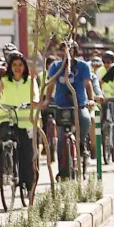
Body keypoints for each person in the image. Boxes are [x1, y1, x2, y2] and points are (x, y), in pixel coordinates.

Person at [40, 40, 95, 179]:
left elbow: (88, 85)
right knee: (61, 139)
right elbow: (51, 84)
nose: (67, 54)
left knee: (85, 119)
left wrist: (91, 99)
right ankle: (62, 171)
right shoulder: (55, 66)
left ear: (75, 52)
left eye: (70, 50)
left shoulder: (83, 66)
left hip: (79, 104)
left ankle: (82, 144)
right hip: (61, 106)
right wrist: (47, 100)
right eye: (64, 51)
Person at [0, 52, 38, 192]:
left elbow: (34, 93)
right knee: (5, 142)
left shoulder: (30, 81)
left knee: (26, 154)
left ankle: (27, 186)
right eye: (14, 65)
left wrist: (34, 101)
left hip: (25, 122)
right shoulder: (4, 81)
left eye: (20, 65)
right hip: (7, 118)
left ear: (24, 67)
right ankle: (4, 168)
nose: (17, 68)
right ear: (10, 67)